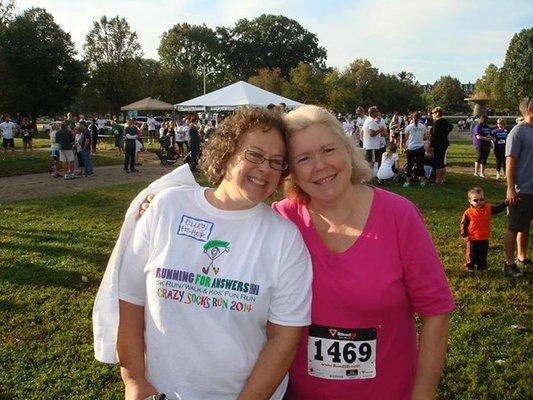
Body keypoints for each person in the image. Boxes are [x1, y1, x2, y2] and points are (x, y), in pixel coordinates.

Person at [138, 105, 455, 400]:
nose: (320, 166)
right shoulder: (280, 221)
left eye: (328, 150)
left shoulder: (399, 217)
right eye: (303, 158)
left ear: (348, 150)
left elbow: (436, 314)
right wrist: (159, 206)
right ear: (291, 172)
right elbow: (223, 225)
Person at [114, 107, 313, 399]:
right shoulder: (167, 207)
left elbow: (284, 339)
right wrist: (134, 380)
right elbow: (130, 301)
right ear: (228, 152)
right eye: (254, 154)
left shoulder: (284, 239)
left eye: (276, 162)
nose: (265, 168)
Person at [503, 96, 533, 277]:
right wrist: (510, 188)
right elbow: (510, 162)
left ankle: (522, 257)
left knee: (526, 226)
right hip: (522, 190)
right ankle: (509, 263)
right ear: (530, 110)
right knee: (514, 226)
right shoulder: (518, 132)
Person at [460, 187, 506, 272]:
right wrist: (464, 234)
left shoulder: (488, 208)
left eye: (481, 199)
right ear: (470, 201)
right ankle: (470, 266)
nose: (479, 202)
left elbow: (498, 209)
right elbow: (463, 224)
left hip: (484, 237)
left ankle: (482, 267)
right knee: (471, 254)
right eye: (475, 200)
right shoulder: (468, 212)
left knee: (483, 254)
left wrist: (505, 203)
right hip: (472, 238)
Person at [403, 111, 429, 187]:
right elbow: (425, 137)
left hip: (411, 148)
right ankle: (422, 181)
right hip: (420, 148)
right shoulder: (423, 126)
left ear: (412, 117)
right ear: (420, 117)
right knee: (421, 165)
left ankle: (407, 182)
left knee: (410, 165)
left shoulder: (409, 127)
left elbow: (406, 137)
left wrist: (406, 146)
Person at [429, 107, 453, 184]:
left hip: (438, 144)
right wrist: (445, 134)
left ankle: (438, 180)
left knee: (438, 162)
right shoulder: (444, 121)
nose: (432, 115)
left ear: (437, 113)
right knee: (442, 162)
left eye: (433, 113)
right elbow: (451, 126)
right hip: (444, 142)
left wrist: (431, 145)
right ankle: (442, 179)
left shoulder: (437, 122)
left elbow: (434, 135)